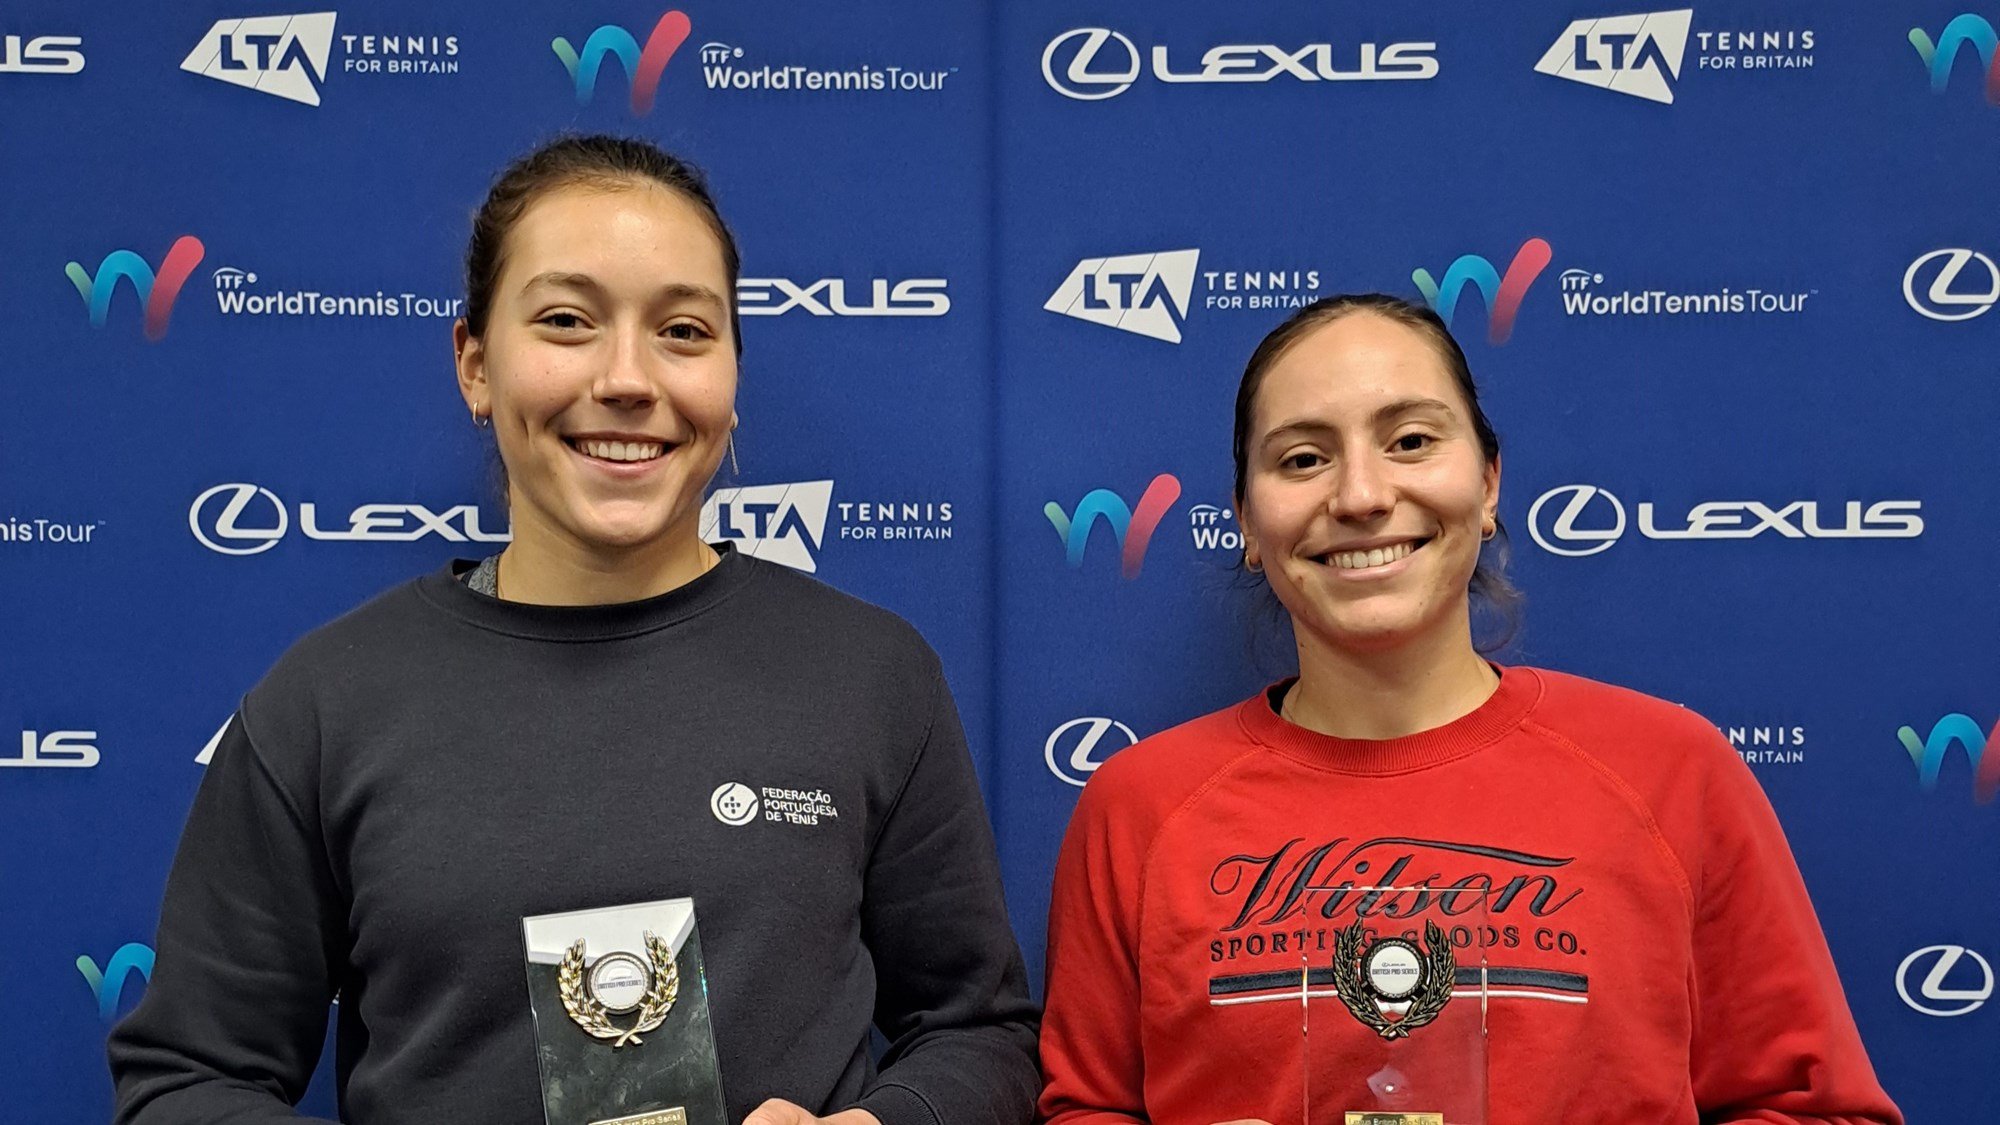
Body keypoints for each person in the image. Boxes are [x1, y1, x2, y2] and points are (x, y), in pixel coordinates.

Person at [108, 135, 1039, 1125]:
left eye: (683, 331)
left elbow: (978, 1034)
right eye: (566, 321)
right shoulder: (325, 705)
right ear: (474, 363)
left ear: (730, 371)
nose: (629, 378)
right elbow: (190, 1080)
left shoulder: (868, 675)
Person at [1036, 294, 1900, 1125]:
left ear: (1488, 485)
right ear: (1249, 525)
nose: (1363, 495)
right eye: (1303, 458)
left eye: (1411, 440)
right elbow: (1088, 1107)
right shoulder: (1139, 806)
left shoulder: (1673, 770)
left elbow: (1818, 1110)